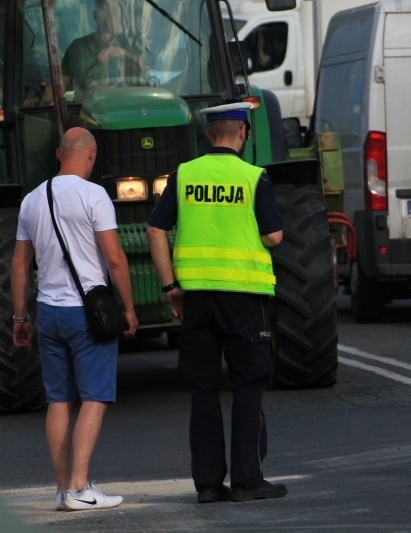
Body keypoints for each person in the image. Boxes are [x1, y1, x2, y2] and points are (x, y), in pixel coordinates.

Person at [146, 102, 287, 504]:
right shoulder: (254, 177)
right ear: (242, 134)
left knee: (203, 389)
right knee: (248, 385)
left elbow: (155, 228)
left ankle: (208, 484)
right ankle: (248, 480)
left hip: (196, 297)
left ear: (208, 135)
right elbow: (274, 237)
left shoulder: (184, 175)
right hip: (244, 296)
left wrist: (170, 285)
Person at [11, 126, 139, 511]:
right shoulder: (94, 195)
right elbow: (114, 258)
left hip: (48, 313)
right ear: (91, 154)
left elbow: (19, 263)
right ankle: (81, 487)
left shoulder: (32, 200)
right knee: (95, 397)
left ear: (57, 154)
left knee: (59, 401)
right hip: (88, 314)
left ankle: (62, 489)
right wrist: (129, 309)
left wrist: (20, 316)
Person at [34, 0, 145, 104]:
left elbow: (145, 67)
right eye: (105, 7)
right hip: (89, 113)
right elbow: (60, 85)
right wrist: (37, 100)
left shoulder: (131, 44)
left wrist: (122, 53)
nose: (112, 14)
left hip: (129, 108)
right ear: (95, 14)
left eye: (116, 7)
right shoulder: (77, 48)